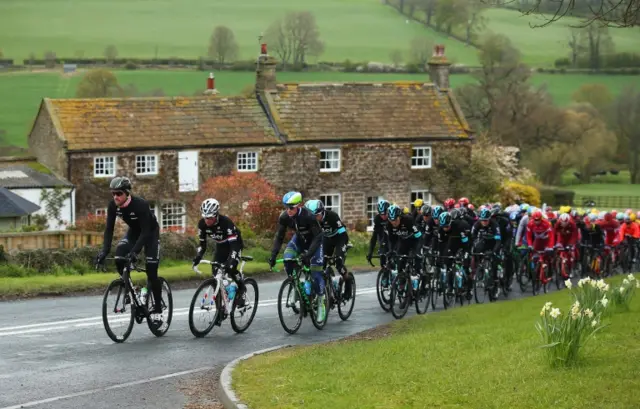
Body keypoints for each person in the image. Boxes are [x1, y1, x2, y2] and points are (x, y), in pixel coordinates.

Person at [95, 176, 163, 315]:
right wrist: (104, 251)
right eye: (113, 193)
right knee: (119, 256)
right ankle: (132, 291)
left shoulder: (140, 205)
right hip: (134, 232)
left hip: (150, 233)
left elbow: (145, 232)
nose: (115, 197)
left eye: (119, 193)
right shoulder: (113, 206)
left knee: (151, 270)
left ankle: (157, 306)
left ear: (127, 193)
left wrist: (134, 252)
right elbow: (109, 229)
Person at [268, 191, 325, 319]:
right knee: (287, 259)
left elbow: (318, 237)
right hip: (299, 240)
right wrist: (273, 255)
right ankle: (295, 285)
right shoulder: (284, 217)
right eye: (286, 207)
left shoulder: (309, 216)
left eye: (291, 207)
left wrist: (308, 255)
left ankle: (321, 302)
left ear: (299, 206)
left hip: (314, 243)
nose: (288, 210)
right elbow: (279, 237)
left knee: (316, 273)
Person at [192, 198, 246, 313]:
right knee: (216, 273)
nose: (207, 220)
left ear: (216, 215)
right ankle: (220, 309)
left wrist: (231, 260)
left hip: (234, 245)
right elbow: (202, 244)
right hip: (221, 246)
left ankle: (241, 289)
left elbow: (234, 246)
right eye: (205, 217)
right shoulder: (202, 224)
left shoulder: (226, 223)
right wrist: (198, 256)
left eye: (210, 217)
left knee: (231, 268)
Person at [305, 199, 352, 297]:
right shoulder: (313, 221)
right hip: (327, 240)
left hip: (339, 238)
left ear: (322, 212)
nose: (315, 218)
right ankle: (327, 287)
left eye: (317, 215)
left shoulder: (332, 216)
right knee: (321, 264)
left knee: (338, 263)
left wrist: (341, 250)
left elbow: (343, 233)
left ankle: (348, 283)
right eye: (313, 216)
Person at [433, 211, 472, 294]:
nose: (445, 228)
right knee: (447, 264)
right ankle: (450, 286)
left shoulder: (459, 227)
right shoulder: (441, 229)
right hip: (449, 244)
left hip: (461, 243)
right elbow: (440, 244)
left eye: (447, 226)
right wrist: (439, 256)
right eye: (443, 227)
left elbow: (466, 243)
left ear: (450, 222)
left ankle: (469, 288)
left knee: (466, 266)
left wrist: (466, 255)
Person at [385, 204, 423, 279]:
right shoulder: (389, 225)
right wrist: (391, 251)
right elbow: (391, 240)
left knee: (416, 258)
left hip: (414, 241)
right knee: (400, 262)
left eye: (396, 220)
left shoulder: (408, 220)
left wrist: (418, 251)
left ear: (399, 217)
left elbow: (419, 236)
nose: (394, 223)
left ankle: (419, 277)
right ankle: (401, 284)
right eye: (391, 220)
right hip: (403, 242)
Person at [471, 208, 502, 291]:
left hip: (494, 242)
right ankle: (480, 268)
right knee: (476, 251)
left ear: (489, 219)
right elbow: (472, 237)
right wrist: (473, 246)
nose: (484, 222)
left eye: (486, 220)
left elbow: (498, 241)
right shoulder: (477, 224)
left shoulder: (495, 225)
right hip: (484, 241)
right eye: (482, 220)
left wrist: (493, 252)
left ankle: (495, 279)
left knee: (495, 260)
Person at [553, 213, 579, 279]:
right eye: (562, 223)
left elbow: (575, 235)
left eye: (565, 223)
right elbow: (554, 233)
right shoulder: (558, 223)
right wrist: (554, 244)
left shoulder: (572, 224)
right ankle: (557, 265)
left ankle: (571, 269)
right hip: (562, 238)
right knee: (558, 250)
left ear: (568, 221)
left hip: (570, 239)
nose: (564, 224)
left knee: (570, 253)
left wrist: (571, 244)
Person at [367, 199, 390, 266]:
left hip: (393, 237)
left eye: (385, 214)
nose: (383, 216)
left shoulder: (392, 217)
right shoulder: (377, 219)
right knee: (382, 256)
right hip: (383, 238)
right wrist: (370, 252)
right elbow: (374, 237)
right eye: (381, 214)